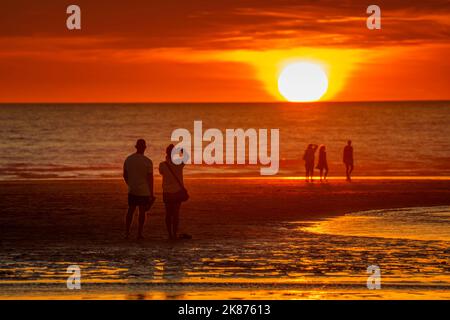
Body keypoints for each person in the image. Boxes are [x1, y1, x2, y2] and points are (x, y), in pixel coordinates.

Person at [123, 139, 155, 240]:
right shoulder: (148, 161)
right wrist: (151, 192)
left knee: (130, 211)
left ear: (136, 147)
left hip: (132, 189)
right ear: (145, 147)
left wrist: (130, 184)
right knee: (142, 212)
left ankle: (127, 233)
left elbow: (125, 175)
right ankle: (139, 233)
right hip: (144, 190)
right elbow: (150, 179)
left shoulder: (128, 159)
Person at [159, 144, 187, 240]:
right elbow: (186, 157)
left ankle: (170, 234)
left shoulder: (162, 165)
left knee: (168, 213)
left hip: (167, 192)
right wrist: (181, 150)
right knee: (176, 214)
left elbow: (161, 172)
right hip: (177, 192)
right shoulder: (179, 164)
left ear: (166, 153)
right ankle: (174, 234)